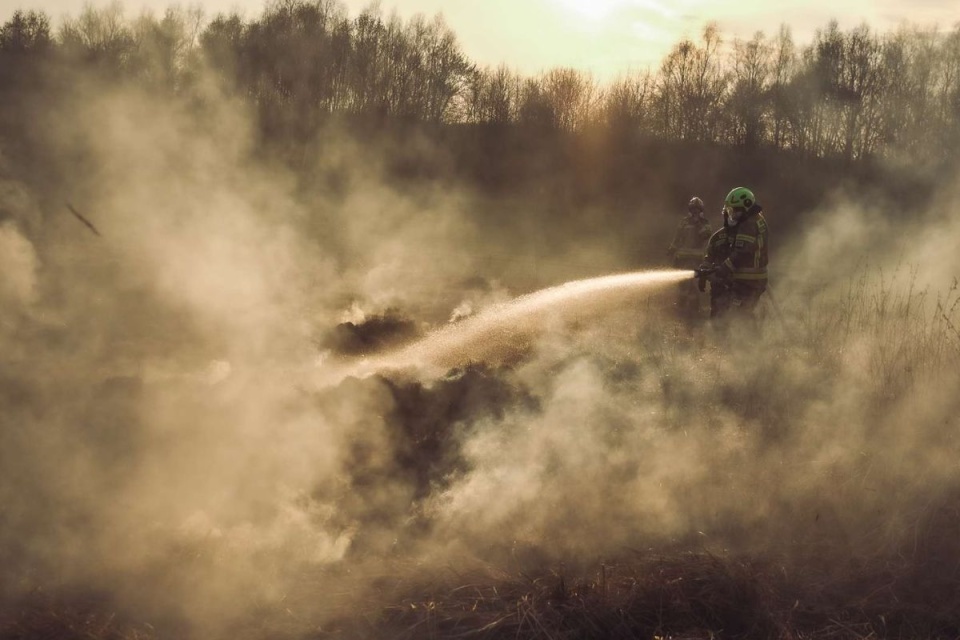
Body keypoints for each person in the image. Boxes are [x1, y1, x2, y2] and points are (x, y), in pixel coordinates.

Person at [699, 187, 768, 319]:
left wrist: (722, 269)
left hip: (748, 281)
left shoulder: (749, 225)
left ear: (746, 207)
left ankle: (748, 338)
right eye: (730, 211)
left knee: (738, 316)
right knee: (734, 315)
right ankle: (734, 336)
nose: (732, 215)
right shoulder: (721, 236)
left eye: (735, 211)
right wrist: (705, 268)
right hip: (746, 280)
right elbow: (710, 255)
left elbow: (742, 253)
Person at [667, 196, 712, 316]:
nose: (695, 212)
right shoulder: (684, 222)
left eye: (697, 210)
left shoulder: (705, 223)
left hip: (697, 259)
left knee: (695, 285)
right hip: (682, 258)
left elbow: (706, 235)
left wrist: (698, 223)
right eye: (693, 209)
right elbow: (677, 238)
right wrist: (672, 249)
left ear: (701, 210)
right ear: (690, 209)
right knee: (682, 283)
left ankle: (694, 309)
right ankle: (680, 307)